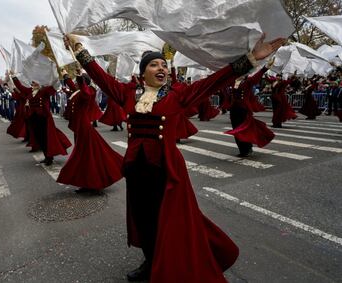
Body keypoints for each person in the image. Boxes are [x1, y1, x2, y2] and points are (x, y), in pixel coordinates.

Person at [65, 33, 285, 282]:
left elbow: (213, 82)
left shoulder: (178, 96)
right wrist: (79, 47)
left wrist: (251, 59)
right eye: (154, 64)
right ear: (143, 72)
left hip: (166, 171)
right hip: (136, 170)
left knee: (170, 221)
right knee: (144, 220)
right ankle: (150, 261)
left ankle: (171, 263)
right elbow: (99, 76)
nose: (162, 68)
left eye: (164, 65)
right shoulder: (126, 93)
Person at [56, 71, 123, 193]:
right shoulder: (77, 92)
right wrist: (66, 75)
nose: (75, 83)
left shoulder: (88, 92)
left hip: (84, 128)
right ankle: (85, 183)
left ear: (84, 83)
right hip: (79, 128)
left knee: (89, 157)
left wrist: (80, 78)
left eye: (78, 82)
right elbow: (72, 86)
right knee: (83, 157)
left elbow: (85, 91)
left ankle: (95, 183)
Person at [11, 75, 72, 165]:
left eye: (34, 82)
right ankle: (46, 155)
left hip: (43, 117)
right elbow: (21, 87)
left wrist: (56, 76)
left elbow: (54, 87)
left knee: (45, 138)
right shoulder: (30, 91)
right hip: (33, 118)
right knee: (39, 138)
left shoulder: (44, 90)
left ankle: (49, 157)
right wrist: (14, 78)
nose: (32, 83)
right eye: (32, 82)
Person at [225, 64, 275, 157]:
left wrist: (265, 68)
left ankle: (246, 149)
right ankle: (243, 149)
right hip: (234, 109)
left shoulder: (248, 81)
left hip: (243, 109)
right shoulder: (233, 82)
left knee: (244, 129)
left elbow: (256, 77)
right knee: (236, 130)